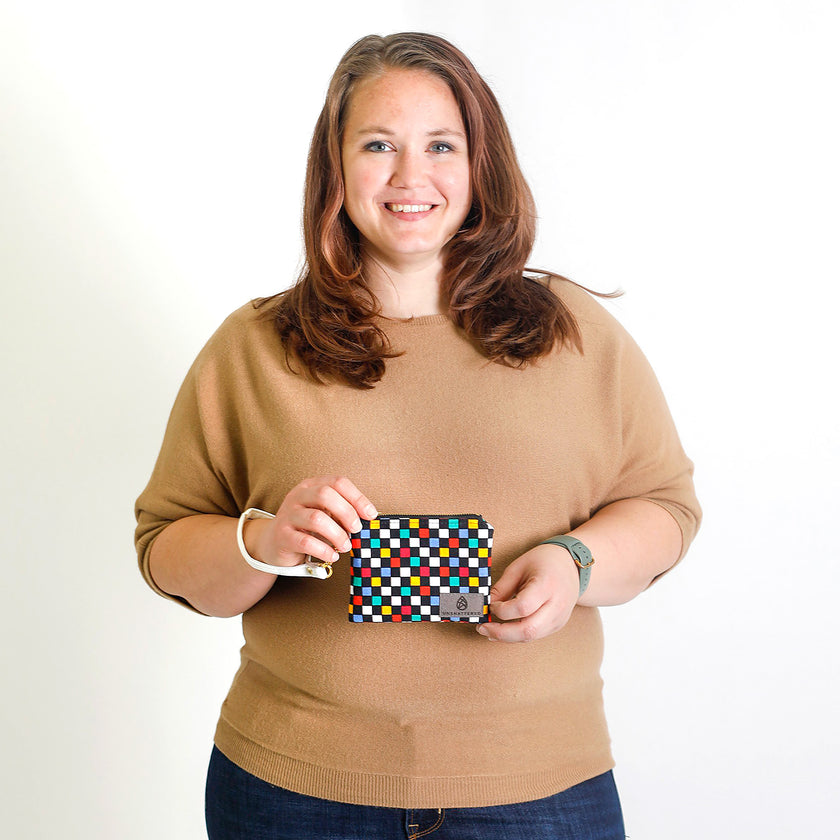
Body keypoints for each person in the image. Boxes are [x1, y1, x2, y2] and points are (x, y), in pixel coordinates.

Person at [135, 31, 701, 840]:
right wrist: (262, 542)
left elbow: (666, 508)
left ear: (481, 164)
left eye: (441, 144)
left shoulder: (577, 335)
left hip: (538, 791)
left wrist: (576, 563)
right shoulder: (252, 347)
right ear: (335, 168)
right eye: (378, 145)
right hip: (292, 794)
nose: (411, 177)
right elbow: (164, 545)